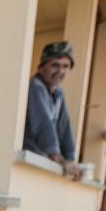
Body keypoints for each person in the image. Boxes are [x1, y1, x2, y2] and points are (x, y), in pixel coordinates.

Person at [25, 41, 83, 180]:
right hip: (30, 160)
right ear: (42, 66)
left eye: (65, 66)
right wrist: (57, 157)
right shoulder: (35, 87)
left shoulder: (58, 93)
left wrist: (70, 159)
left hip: (42, 161)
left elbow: (64, 127)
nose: (60, 71)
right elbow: (43, 124)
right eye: (55, 65)